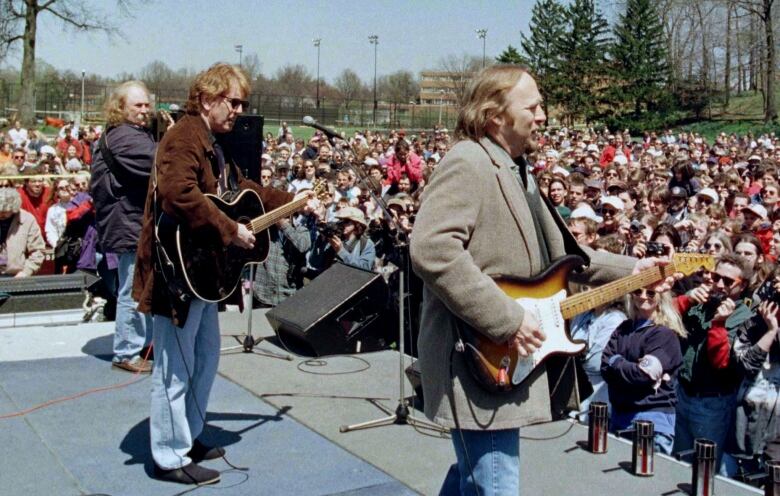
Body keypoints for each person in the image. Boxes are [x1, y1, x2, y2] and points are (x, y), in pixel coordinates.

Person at [409, 66, 655, 496]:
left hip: (495, 358)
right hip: (476, 355)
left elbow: (566, 257)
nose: (543, 115)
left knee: (477, 477)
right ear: (495, 115)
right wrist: (506, 318)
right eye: (533, 106)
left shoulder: (516, 169)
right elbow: (431, 249)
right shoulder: (468, 162)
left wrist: (633, 270)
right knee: (495, 484)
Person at [132, 63, 302, 485]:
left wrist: (293, 199)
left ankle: (187, 435)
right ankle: (168, 457)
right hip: (178, 274)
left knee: (204, 358)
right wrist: (230, 230)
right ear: (208, 99)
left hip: (202, 273)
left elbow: (246, 189)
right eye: (233, 101)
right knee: (175, 366)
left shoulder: (215, 143)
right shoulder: (184, 137)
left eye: (243, 103)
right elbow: (178, 193)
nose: (239, 111)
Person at [91, 80, 158, 374]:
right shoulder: (125, 138)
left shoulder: (127, 134)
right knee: (134, 288)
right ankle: (127, 351)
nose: (145, 111)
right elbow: (163, 160)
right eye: (138, 106)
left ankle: (137, 345)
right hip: (129, 224)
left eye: (147, 105)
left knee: (139, 285)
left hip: (131, 222)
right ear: (121, 108)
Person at [601, 288, 686, 454]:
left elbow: (644, 374)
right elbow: (604, 366)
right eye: (638, 291)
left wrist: (616, 361)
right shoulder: (624, 328)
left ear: (661, 296)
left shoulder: (664, 334)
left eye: (651, 293)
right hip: (619, 417)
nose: (643, 296)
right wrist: (628, 366)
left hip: (652, 423)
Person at [0, 187, 45, 277]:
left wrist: (26, 271)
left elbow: (38, 250)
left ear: (14, 208)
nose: (1, 214)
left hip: (16, 276)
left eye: (5, 212)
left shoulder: (27, 220)